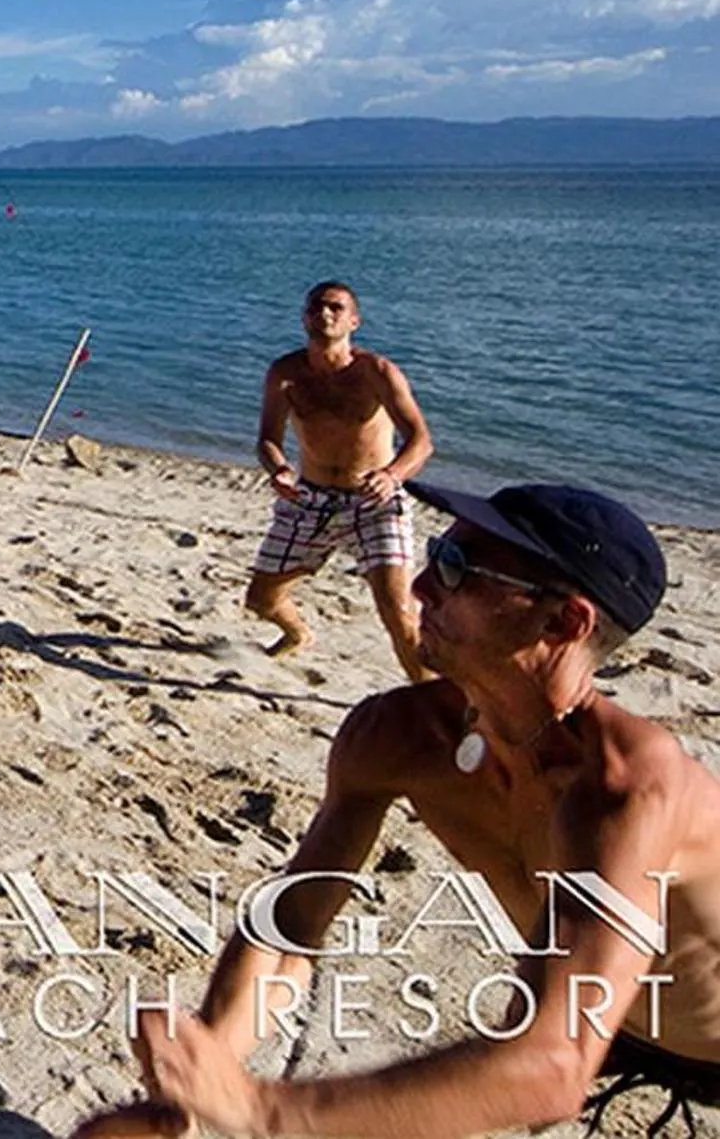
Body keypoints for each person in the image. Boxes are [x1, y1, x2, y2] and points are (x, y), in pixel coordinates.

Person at [78, 480, 720, 1139]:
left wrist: (259, 1108)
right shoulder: (395, 736)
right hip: (605, 1018)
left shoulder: (624, 791)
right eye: (438, 550)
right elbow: (292, 924)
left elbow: (552, 1067)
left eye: (456, 568)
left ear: (562, 623)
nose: (418, 588)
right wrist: (199, 1078)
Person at [246, 280, 436, 678]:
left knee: (398, 612)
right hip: (309, 499)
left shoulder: (377, 373)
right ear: (304, 318)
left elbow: (421, 441)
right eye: (316, 307)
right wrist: (279, 468)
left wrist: (392, 474)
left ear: (354, 320)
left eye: (335, 307)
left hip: (375, 502)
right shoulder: (286, 373)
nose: (325, 313)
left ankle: (432, 700)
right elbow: (267, 439)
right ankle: (298, 634)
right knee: (262, 600)